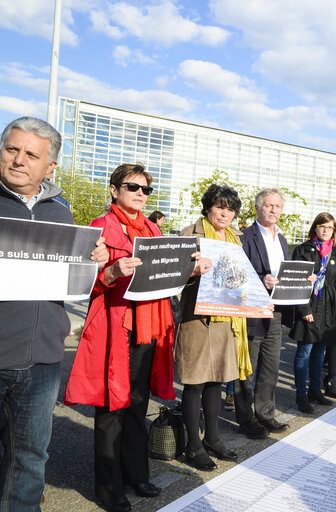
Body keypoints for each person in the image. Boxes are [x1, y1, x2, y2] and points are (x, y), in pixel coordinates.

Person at [64, 163, 193, 512]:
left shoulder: (151, 228)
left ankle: (136, 474)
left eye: (145, 189)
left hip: (149, 326)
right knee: (111, 408)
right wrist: (108, 272)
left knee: (137, 404)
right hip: (115, 327)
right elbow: (79, 283)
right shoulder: (99, 228)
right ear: (114, 190)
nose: (140, 193)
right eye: (132, 186)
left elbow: (165, 274)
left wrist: (191, 268)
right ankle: (108, 489)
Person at [0, 117, 108, 511]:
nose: (18, 160)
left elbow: (71, 279)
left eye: (31, 154)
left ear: (50, 166)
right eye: (12, 149)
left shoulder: (61, 210)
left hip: (43, 360)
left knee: (30, 461)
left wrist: (92, 260)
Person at [175, 184, 245, 471]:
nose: (225, 213)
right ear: (208, 208)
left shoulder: (236, 238)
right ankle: (193, 444)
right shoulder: (189, 234)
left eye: (230, 209)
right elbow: (175, 279)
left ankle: (213, 438)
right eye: (220, 207)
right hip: (197, 318)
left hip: (226, 319)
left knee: (216, 380)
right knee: (195, 382)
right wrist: (192, 271)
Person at [235, 188, 294, 438]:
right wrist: (262, 280)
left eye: (277, 206)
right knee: (247, 369)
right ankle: (246, 419)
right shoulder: (244, 236)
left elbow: (285, 273)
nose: (273, 210)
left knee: (270, 368)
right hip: (252, 310)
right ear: (258, 207)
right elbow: (236, 273)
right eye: (269, 206)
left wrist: (301, 280)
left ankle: (266, 415)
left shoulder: (281, 238)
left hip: (275, 311)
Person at [290, 213, 336, 413]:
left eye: (330, 227)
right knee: (304, 351)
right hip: (310, 304)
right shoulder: (303, 249)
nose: (325, 230)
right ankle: (301, 395)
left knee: (320, 350)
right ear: (315, 227)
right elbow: (295, 280)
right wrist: (304, 309)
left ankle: (315, 390)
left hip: (328, 306)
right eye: (322, 226)